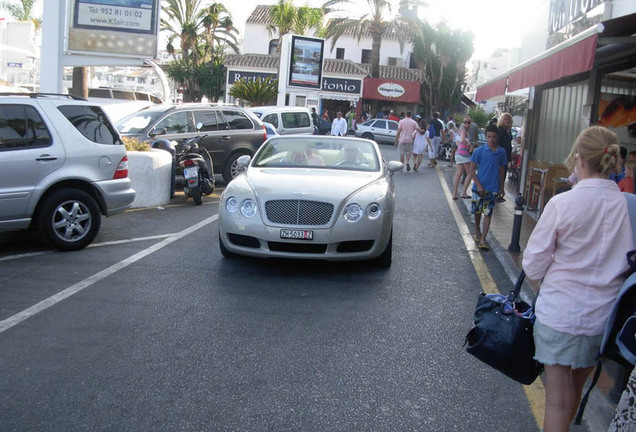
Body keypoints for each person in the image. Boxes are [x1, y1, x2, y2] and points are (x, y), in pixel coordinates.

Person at [522, 126, 633, 432]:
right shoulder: (628, 206)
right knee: (573, 392)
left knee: (557, 398)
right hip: (602, 319)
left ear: (580, 159)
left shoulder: (563, 203)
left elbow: (532, 264)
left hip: (560, 315)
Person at [467, 124, 506, 250]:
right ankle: (477, 230)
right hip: (479, 187)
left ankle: (483, 238)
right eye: (489, 137)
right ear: (486, 136)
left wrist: (501, 187)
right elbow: (471, 169)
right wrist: (478, 184)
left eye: (494, 137)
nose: (491, 139)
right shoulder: (479, 151)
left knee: (488, 213)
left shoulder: (501, 153)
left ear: (497, 137)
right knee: (477, 211)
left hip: (492, 188)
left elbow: (502, 170)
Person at [451, 121, 473, 200]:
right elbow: (463, 140)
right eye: (466, 122)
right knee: (470, 173)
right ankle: (463, 192)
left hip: (458, 154)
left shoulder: (458, 135)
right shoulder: (464, 132)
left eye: (468, 122)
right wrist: (469, 145)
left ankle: (454, 193)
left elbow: (458, 143)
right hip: (464, 155)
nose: (467, 124)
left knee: (458, 174)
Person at [497, 113, 514, 202]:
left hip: (506, 155)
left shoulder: (508, 131)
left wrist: (509, 159)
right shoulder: (500, 130)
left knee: (503, 174)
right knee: (499, 174)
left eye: (509, 119)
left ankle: (500, 192)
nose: (507, 121)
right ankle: (497, 192)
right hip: (500, 155)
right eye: (505, 119)